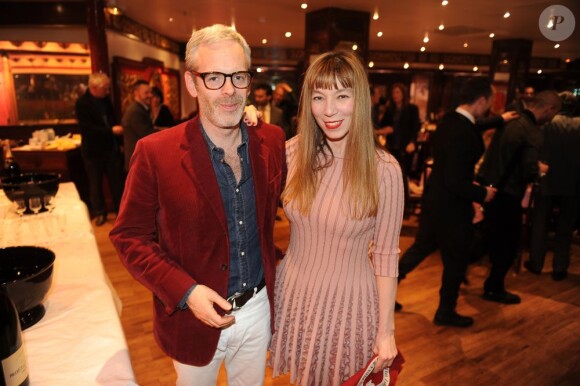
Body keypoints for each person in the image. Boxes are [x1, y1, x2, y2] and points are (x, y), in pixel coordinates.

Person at [109, 24, 286, 386]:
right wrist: (186, 292)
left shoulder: (272, 139)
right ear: (191, 83)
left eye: (238, 77)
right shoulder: (155, 152)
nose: (229, 90)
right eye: (215, 77)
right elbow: (128, 237)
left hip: (257, 310)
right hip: (193, 318)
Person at [269, 51, 403, 385]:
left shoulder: (384, 170)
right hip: (295, 295)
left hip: (348, 305)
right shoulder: (292, 152)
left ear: (360, 99)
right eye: (319, 97)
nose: (329, 110)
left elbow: (387, 256)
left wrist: (386, 331)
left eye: (342, 96)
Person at [397, 77, 497, 327]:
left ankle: (380, 295)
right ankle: (445, 311)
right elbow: (456, 180)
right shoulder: (463, 131)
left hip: (435, 201)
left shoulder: (449, 121)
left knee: (419, 250)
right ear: (482, 100)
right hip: (452, 208)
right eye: (490, 102)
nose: (489, 108)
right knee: (455, 260)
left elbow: (478, 124)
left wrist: (501, 119)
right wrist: (482, 194)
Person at [478, 90, 561, 304]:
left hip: (490, 187)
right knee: (508, 243)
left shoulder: (510, 119)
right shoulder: (531, 132)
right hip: (508, 193)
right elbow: (527, 170)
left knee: (487, 237)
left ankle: (461, 274)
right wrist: (539, 169)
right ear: (549, 109)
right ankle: (494, 287)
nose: (551, 119)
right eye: (553, 114)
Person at [526, 92, 580, 281]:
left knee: (540, 224)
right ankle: (559, 268)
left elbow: (537, 148)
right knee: (565, 227)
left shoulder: (547, 124)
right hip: (572, 183)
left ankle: (536, 263)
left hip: (546, 179)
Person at [75, 72, 124, 226]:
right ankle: (100, 213)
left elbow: (113, 120)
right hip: (93, 152)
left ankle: (121, 212)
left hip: (110, 149)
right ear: (94, 88)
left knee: (117, 183)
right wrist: (110, 131)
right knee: (95, 185)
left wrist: (119, 142)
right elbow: (87, 129)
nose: (108, 91)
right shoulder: (82, 103)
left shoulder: (106, 100)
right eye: (105, 88)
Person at [375, 83, 421, 216]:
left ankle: (404, 209)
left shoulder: (412, 108)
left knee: (403, 176)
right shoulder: (391, 110)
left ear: (403, 94)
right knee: (390, 176)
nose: (395, 95)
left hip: (406, 147)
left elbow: (415, 127)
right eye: (394, 93)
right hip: (392, 147)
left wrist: (413, 142)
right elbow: (382, 125)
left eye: (398, 92)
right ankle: (390, 207)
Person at [121, 79, 155, 171]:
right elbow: (148, 134)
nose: (150, 95)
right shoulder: (136, 111)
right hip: (138, 162)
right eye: (146, 93)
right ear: (136, 93)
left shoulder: (140, 109)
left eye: (150, 92)